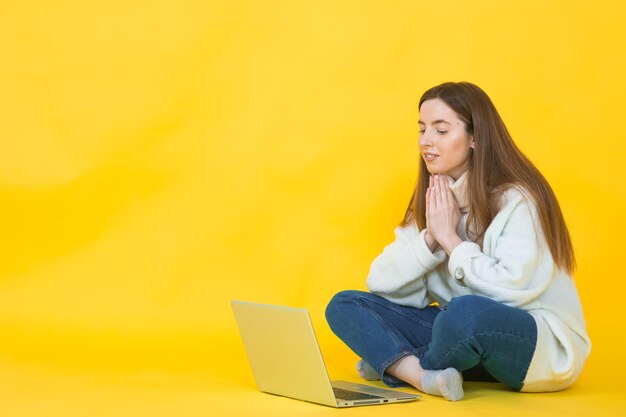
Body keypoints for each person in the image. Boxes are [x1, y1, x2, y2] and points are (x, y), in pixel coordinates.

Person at [325, 81, 591, 401]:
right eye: (422, 129)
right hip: (467, 344)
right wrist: (430, 239)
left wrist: (450, 239)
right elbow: (380, 282)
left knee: (466, 313)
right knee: (345, 304)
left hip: (534, 345)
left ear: (474, 137)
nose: (426, 142)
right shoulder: (435, 203)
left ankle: (393, 362)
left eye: (441, 130)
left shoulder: (518, 200)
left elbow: (512, 291)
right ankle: (422, 376)